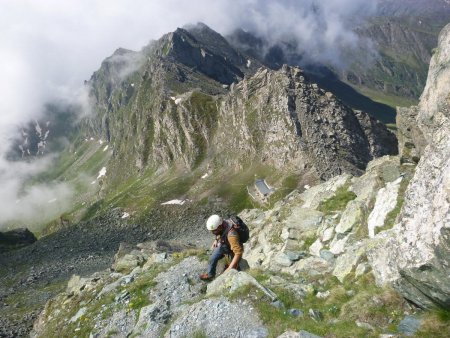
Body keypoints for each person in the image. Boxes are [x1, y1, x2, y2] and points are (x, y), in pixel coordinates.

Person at [199, 214, 243, 281]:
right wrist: (216, 240)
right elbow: (219, 233)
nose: (212, 232)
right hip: (224, 244)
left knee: (232, 269)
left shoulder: (231, 235)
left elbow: (238, 253)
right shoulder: (222, 224)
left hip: (232, 250)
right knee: (212, 258)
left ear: (219, 227)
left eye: (214, 230)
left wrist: (230, 268)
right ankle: (210, 275)